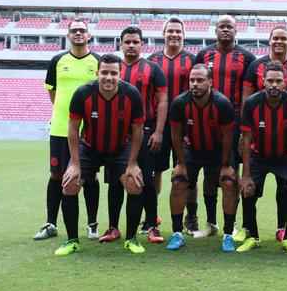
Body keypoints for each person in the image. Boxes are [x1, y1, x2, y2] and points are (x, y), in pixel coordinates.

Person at [55, 54, 146, 256]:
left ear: (119, 74)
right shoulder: (83, 93)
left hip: (120, 147)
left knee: (134, 183)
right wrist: (75, 164)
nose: (108, 77)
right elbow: (72, 129)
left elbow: (138, 130)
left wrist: (132, 164)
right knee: (70, 183)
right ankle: (72, 240)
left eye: (113, 73)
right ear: (97, 73)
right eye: (104, 72)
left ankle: (131, 238)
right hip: (89, 146)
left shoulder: (131, 95)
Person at [98, 26, 167, 245]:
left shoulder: (153, 69)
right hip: (116, 135)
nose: (131, 45)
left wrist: (158, 130)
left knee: (145, 180)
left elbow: (163, 100)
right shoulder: (112, 69)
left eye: (135, 42)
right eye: (127, 41)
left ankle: (152, 226)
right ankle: (113, 227)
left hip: (144, 132)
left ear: (142, 44)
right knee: (115, 182)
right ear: (120, 44)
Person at [34, 18, 100, 241]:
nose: (78, 34)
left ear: (88, 35)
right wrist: (64, 112)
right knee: (56, 175)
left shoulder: (97, 62)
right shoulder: (57, 60)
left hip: (89, 130)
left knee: (90, 177)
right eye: (74, 31)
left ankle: (92, 224)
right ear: (68, 35)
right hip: (61, 129)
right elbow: (53, 93)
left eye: (82, 30)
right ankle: (51, 223)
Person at [242, 25, 287, 243]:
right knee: (248, 189)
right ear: (263, 81)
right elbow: (247, 137)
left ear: (286, 81)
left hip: (283, 153)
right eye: (270, 81)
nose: (274, 84)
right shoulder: (252, 102)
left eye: (278, 81)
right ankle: (252, 236)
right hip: (258, 154)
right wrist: (245, 173)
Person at [195, 15, 256, 239]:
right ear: (215, 30)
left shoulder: (246, 57)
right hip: (205, 124)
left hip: (235, 124)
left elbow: (250, 93)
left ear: (236, 31)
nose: (225, 30)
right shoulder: (204, 55)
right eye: (222, 26)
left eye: (229, 27)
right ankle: (211, 223)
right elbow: (196, 83)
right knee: (209, 175)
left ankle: (232, 225)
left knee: (231, 175)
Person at [167, 64, 237, 252]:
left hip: (218, 151)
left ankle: (228, 234)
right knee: (178, 181)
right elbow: (175, 135)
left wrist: (226, 165)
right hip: (192, 151)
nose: (195, 84)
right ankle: (177, 233)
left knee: (229, 182)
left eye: (200, 80)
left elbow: (228, 137)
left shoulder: (222, 103)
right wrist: (180, 163)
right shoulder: (180, 103)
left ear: (210, 82)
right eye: (192, 80)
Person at [148, 17, 196, 232]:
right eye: (171, 31)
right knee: (155, 171)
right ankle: (152, 217)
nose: (174, 35)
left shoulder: (193, 61)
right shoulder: (152, 60)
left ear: (183, 35)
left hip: (186, 126)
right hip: (158, 125)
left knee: (186, 173)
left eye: (178, 31)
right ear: (163, 34)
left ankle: (190, 217)